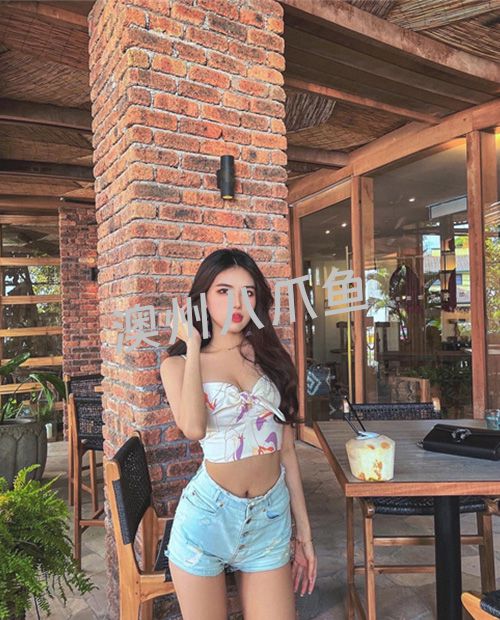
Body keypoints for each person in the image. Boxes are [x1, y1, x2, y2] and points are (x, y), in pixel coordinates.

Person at [160, 248, 317, 619]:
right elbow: (193, 428)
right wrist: (194, 346)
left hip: (270, 519)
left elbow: (287, 451)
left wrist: (304, 534)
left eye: (248, 292)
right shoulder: (177, 364)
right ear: (202, 298)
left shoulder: (270, 357)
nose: (238, 302)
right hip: (207, 519)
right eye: (223, 291)